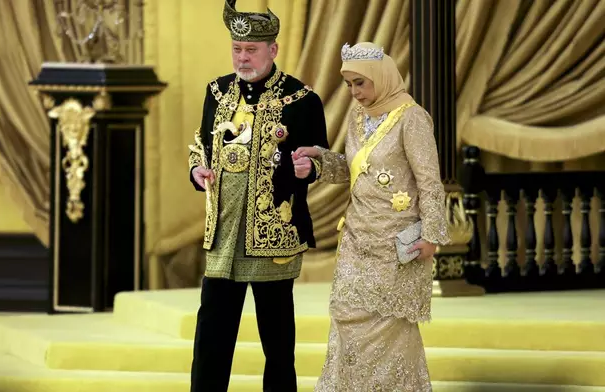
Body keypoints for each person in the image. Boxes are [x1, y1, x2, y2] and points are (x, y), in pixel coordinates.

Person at [186, 1, 329, 391]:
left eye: (251, 50)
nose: (243, 57)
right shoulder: (216, 92)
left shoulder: (302, 100)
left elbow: (326, 158)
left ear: (273, 50)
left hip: (273, 235)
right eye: (237, 49)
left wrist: (311, 168)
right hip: (224, 233)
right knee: (212, 333)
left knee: (278, 340)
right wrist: (197, 172)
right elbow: (200, 147)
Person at [292, 42, 450, 391]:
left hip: (395, 245)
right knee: (346, 319)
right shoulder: (358, 118)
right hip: (356, 239)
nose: (354, 93)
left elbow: (429, 181)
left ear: (382, 77)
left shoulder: (412, 118)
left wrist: (432, 235)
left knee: (389, 328)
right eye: (349, 85)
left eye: (360, 83)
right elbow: (353, 171)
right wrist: (319, 160)